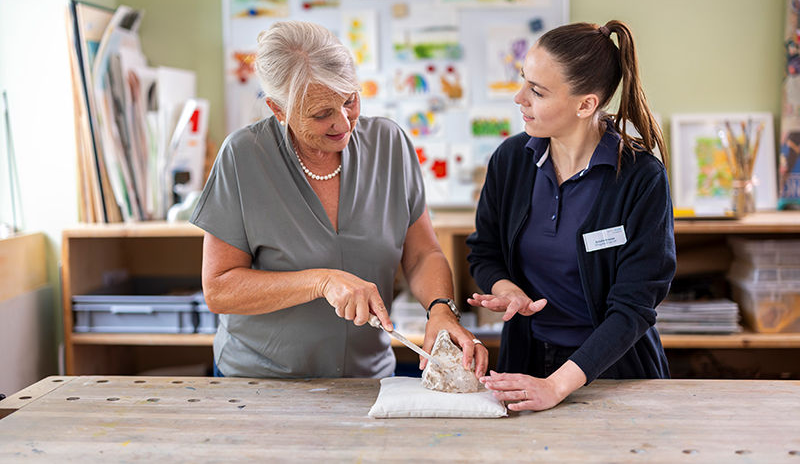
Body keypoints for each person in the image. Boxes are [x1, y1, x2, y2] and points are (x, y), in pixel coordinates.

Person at [191, 20, 487, 379]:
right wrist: (321, 281)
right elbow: (220, 289)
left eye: (349, 101)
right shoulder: (243, 156)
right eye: (321, 114)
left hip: (368, 379)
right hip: (261, 382)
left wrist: (441, 309)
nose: (344, 122)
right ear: (278, 109)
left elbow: (423, 253)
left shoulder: (389, 144)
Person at [466, 21, 676, 411]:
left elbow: (633, 307)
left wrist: (557, 386)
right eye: (523, 81)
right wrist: (503, 288)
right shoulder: (511, 160)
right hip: (525, 363)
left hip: (614, 373)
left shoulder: (641, 178)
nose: (519, 97)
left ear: (586, 104)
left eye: (537, 91)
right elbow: (485, 251)